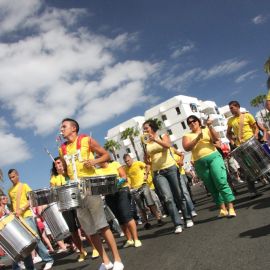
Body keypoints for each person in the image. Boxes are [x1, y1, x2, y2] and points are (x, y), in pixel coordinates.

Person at [59, 118, 124, 270]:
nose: (61, 129)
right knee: (89, 230)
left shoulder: (86, 140)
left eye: (64, 126)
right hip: (75, 192)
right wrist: (64, 174)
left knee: (102, 225)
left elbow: (106, 155)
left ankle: (118, 260)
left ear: (73, 128)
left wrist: (94, 162)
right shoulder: (62, 149)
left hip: (90, 187)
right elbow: (67, 171)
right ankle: (106, 262)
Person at [142, 119, 194, 234]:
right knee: (168, 198)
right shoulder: (145, 142)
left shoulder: (162, 135)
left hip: (170, 168)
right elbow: (147, 161)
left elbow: (167, 146)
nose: (144, 130)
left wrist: (155, 139)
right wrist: (145, 155)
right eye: (143, 129)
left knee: (179, 195)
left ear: (152, 127)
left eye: (146, 128)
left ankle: (187, 217)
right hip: (158, 172)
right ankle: (177, 223)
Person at [182, 115, 236, 218]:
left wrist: (210, 126)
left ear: (198, 122)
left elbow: (216, 139)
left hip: (214, 157)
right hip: (199, 163)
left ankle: (231, 207)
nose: (192, 123)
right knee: (211, 186)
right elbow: (187, 148)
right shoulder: (187, 135)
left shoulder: (206, 129)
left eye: (194, 121)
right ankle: (222, 209)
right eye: (189, 122)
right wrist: (197, 138)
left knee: (221, 181)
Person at [50, 157, 99, 261]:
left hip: (76, 203)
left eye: (58, 163)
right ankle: (82, 252)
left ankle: (94, 248)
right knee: (73, 231)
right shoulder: (54, 179)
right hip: (65, 207)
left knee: (84, 226)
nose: (56, 165)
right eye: (55, 164)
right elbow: (53, 193)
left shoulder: (70, 174)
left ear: (63, 163)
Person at [8, 169, 54, 270]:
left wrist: (22, 209)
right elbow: (12, 204)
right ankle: (30, 267)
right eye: (10, 178)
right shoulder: (10, 191)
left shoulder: (24, 186)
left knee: (35, 239)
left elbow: (31, 199)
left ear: (18, 175)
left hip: (27, 216)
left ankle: (48, 260)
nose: (12, 179)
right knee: (25, 244)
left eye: (13, 177)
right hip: (18, 219)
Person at [96, 158, 142, 248]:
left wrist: (115, 185)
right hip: (109, 195)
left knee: (126, 214)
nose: (98, 162)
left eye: (100, 159)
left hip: (121, 190)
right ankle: (129, 239)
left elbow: (124, 176)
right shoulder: (97, 171)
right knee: (119, 218)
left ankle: (136, 239)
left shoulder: (115, 164)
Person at [226, 100, 261, 198]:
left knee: (261, 162)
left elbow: (256, 128)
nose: (231, 110)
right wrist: (232, 142)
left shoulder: (247, 115)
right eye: (230, 108)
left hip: (251, 142)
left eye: (232, 108)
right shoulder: (230, 121)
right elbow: (228, 133)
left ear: (237, 106)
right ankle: (252, 191)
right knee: (246, 168)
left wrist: (256, 135)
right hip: (240, 146)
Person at [123, 153, 163, 230]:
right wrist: (129, 185)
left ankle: (159, 219)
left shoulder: (138, 163)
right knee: (141, 207)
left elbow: (148, 166)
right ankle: (146, 223)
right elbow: (127, 178)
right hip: (135, 189)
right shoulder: (125, 169)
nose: (127, 162)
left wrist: (146, 174)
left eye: (128, 160)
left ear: (131, 159)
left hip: (143, 185)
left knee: (151, 203)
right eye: (126, 161)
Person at [170, 147, 197, 217]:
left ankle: (191, 209)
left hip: (180, 173)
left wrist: (180, 161)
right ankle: (184, 211)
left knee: (185, 192)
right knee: (177, 194)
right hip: (171, 176)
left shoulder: (171, 149)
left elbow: (182, 155)